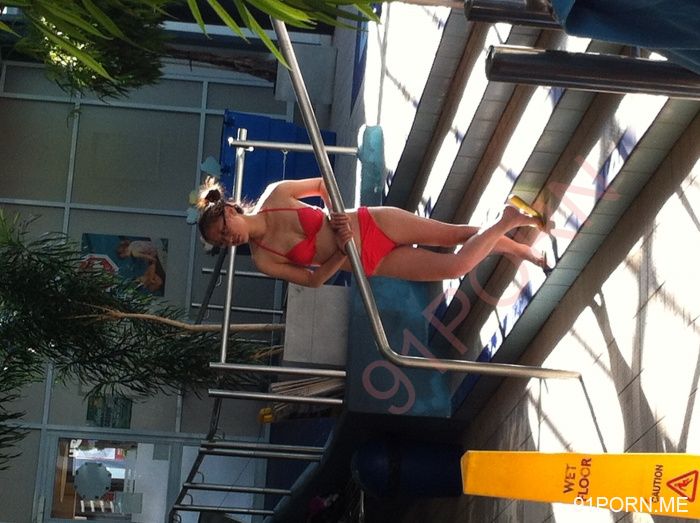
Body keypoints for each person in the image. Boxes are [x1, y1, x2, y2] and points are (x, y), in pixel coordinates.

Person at [196, 177, 548, 288]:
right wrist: (340, 253)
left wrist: (336, 216)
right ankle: (506, 221)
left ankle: (521, 248)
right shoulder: (263, 259)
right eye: (222, 242)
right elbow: (313, 280)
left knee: (455, 236)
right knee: (455, 268)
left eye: (225, 229)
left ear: (230, 210)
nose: (230, 239)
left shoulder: (275, 194)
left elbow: (321, 184)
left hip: (371, 222)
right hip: (368, 260)